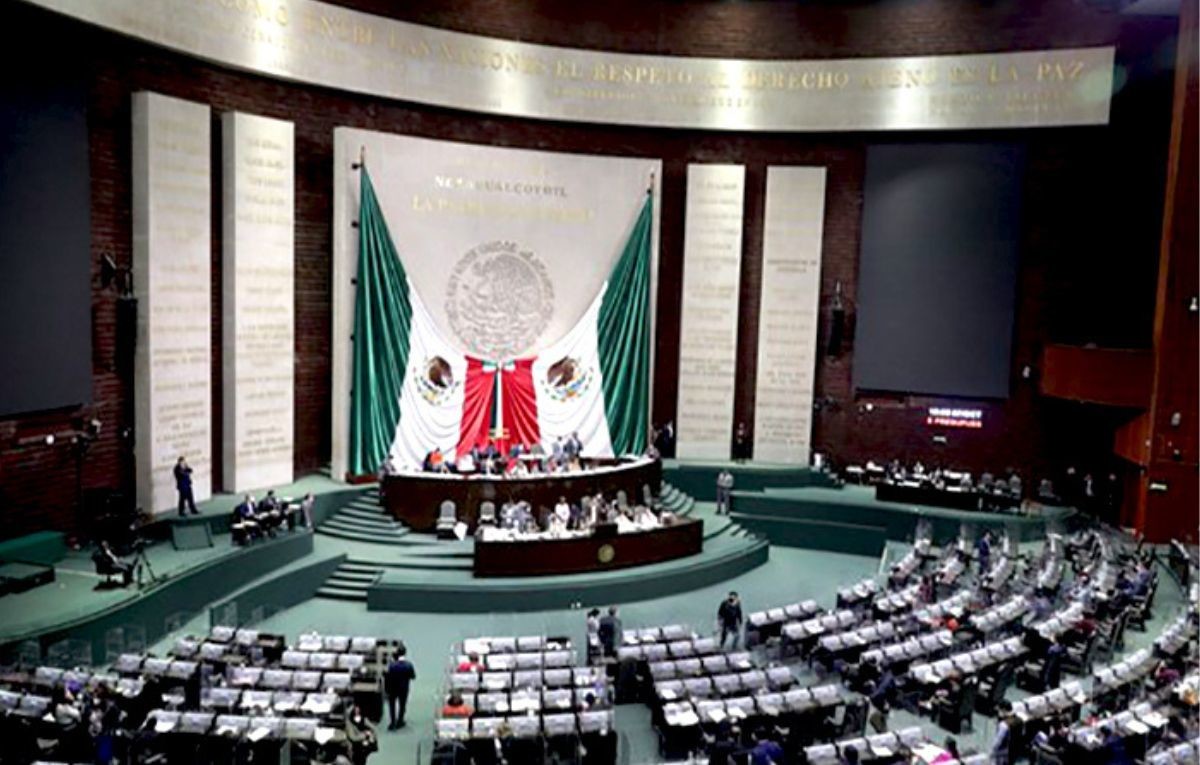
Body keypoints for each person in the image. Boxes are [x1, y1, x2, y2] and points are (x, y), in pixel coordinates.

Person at [384, 644, 416, 730]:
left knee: (392, 706)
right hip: (403, 689)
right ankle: (400, 721)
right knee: (402, 705)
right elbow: (413, 677)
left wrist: (386, 690)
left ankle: (393, 723)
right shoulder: (409, 665)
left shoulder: (391, 666)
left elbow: (386, 678)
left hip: (392, 689)